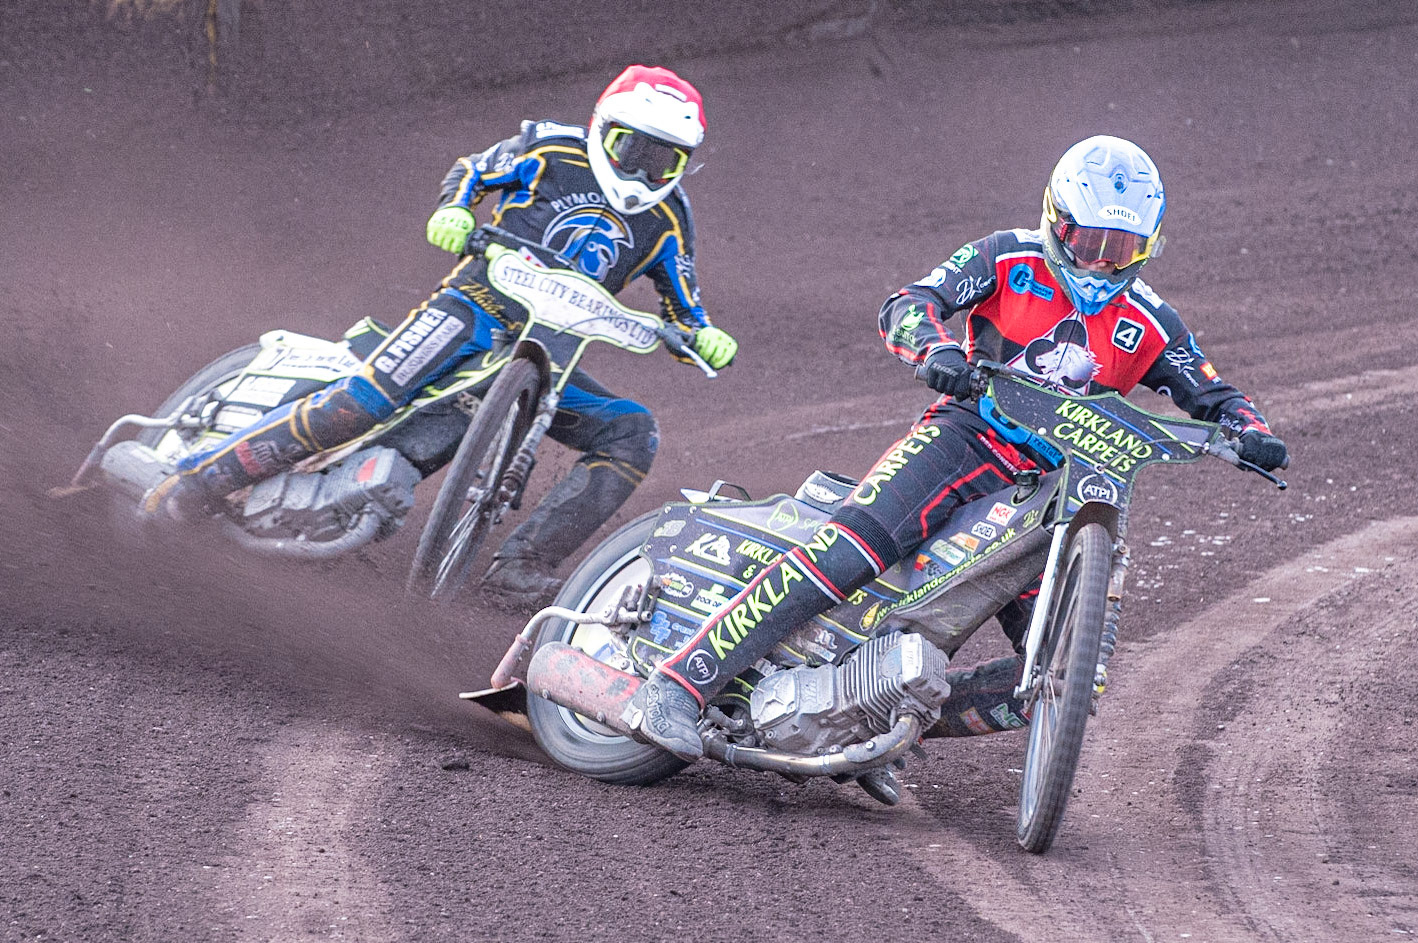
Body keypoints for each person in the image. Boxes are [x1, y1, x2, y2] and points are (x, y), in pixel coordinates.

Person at [630, 134, 1289, 760]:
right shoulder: (1007, 257)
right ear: (1056, 220)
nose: (1097, 262)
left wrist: (1251, 432)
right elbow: (910, 302)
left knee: (1069, 674)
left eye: (1119, 249)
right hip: (966, 437)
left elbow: (1213, 393)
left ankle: (876, 718)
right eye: (1087, 242)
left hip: (1055, 491)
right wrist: (934, 349)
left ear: (1148, 247)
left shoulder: (1150, 320)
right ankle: (679, 682)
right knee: (846, 553)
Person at [143, 64, 738, 601]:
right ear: (600, 128)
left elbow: (683, 302)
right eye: (630, 148)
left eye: (665, 159)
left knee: (633, 432)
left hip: (552, 356)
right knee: (363, 402)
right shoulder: (550, 149)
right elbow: (473, 170)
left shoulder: (668, 218)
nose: (642, 169)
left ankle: (520, 565)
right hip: (472, 310)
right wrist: (454, 209)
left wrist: (703, 335)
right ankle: (200, 479)